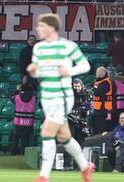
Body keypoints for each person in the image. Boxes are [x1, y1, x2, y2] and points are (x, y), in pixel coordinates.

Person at [26, 13, 94, 182]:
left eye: (41, 26)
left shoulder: (67, 46)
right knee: (64, 137)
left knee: (46, 131)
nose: (38, 29)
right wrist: (34, 71)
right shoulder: (38, 48)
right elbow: (41, 73)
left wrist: (69, 71)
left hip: (62, 96)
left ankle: (44, 175)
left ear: (51, 28)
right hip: (47, 96)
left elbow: (85, 65)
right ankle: (85, 167)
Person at [11, 83, 37, 155]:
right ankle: (25, 155)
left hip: (18, 122)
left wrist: (17, 90)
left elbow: (11, 98)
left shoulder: (16, 97)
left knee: (16, 138)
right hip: (29, 122)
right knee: (26, 139)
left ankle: (13, 153)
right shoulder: (34, 97)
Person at [67, 80, 92, 144]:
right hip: (71, 120)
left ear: (81, 86)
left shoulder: (86, 94)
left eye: (78, 86)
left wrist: (81, 109)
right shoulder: (69, 95)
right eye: (75, 86)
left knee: (82, 138)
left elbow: (90, 106)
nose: (77, 88)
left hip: (83, 120)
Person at [91, 67, 113, 134]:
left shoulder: (106, 82)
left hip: (103, 110)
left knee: (102, 129)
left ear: (103, 73)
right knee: (97, 128)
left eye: (99, 72)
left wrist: (94, 87)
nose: (97, 74)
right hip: (97, 109)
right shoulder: (98, 82)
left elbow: (97, 92)